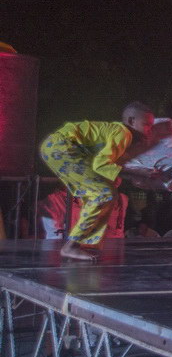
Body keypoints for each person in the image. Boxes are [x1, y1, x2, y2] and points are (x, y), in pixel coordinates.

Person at [39, 102, 161, 261]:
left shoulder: (115, 132)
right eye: (146, 125)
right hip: (62, 148)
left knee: (106, 192)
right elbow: (101, 165)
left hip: (57, 147)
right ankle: (71, 246)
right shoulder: (124, 133)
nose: (149, 130)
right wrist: (139, 172)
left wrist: (135, 174)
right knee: (103, 194)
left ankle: (84, 243)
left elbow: (106, 168)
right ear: (131, 121)